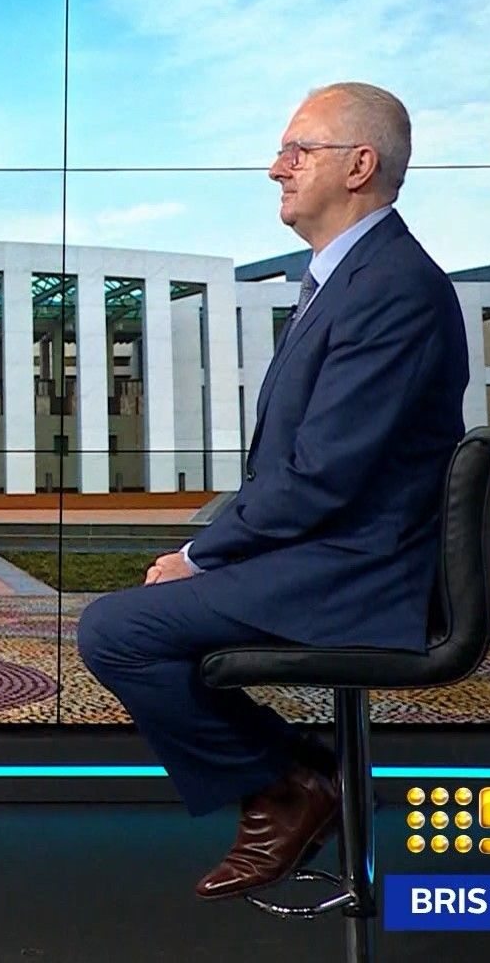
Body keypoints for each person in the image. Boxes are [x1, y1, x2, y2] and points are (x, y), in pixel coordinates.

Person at [75, 82, 468, 899]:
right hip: (336, 551)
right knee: (135, 615)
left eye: (298, 150)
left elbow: (321, 474)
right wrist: (211, 554)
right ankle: (303, 775)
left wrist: (199, 556)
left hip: (363, 572)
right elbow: (301, 469)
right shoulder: (347, 279)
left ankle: (287, 790)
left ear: (359, 166)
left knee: (117, 630)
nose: (275, 168)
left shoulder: (391, 287)